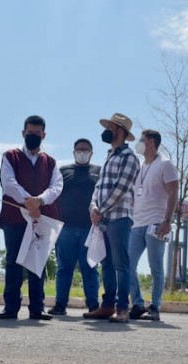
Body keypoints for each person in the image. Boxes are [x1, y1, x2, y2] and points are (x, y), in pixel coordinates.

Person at [0, 115, 63, 320]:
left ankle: (37, 308)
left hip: (40, 219)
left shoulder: (50, 162)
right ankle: (11, 307)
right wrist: (28, 201)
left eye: (37, 134)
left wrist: (40, 201)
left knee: (38, 262)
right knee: (13, 262)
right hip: (15, 217)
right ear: (23, 133)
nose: (32, 136)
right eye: (29, 133)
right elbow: (8, 183)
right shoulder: (10, 156)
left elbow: (57, 186)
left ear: (43, 135)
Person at [84, 113, 139, 323]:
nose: (107, 130)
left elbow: (122, 188)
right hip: (103, 218)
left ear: (121, 132)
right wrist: (93, 207)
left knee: (121, 264)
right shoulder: (109, 156)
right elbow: (98, 187)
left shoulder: (129, 157)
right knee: (105, 264)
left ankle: (122, 308)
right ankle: (107, 306)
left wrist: (101, 211)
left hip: (119, 218)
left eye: (112, 127)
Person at [128, 129, 179, 322]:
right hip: (136, 224)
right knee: (128, 264)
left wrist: (167, 220)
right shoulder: (141, 167)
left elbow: (173, 192)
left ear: (151, 142)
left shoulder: (165, 164)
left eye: (141, 140)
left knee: (155, 267)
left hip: (156, 223)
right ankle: (138, 303)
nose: (138, 143)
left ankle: (155, 307)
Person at [48, 138, 100, 316]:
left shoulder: (98, 172)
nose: (82, 152)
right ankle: (60, 304)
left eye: (86, 150)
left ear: (91, 153)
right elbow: (53, 194)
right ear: (73, 152)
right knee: (64, 268)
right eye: (79, 149)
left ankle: (93, 305)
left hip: (90, 229)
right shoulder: (63, 171)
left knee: (90, 268)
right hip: (66, 229)